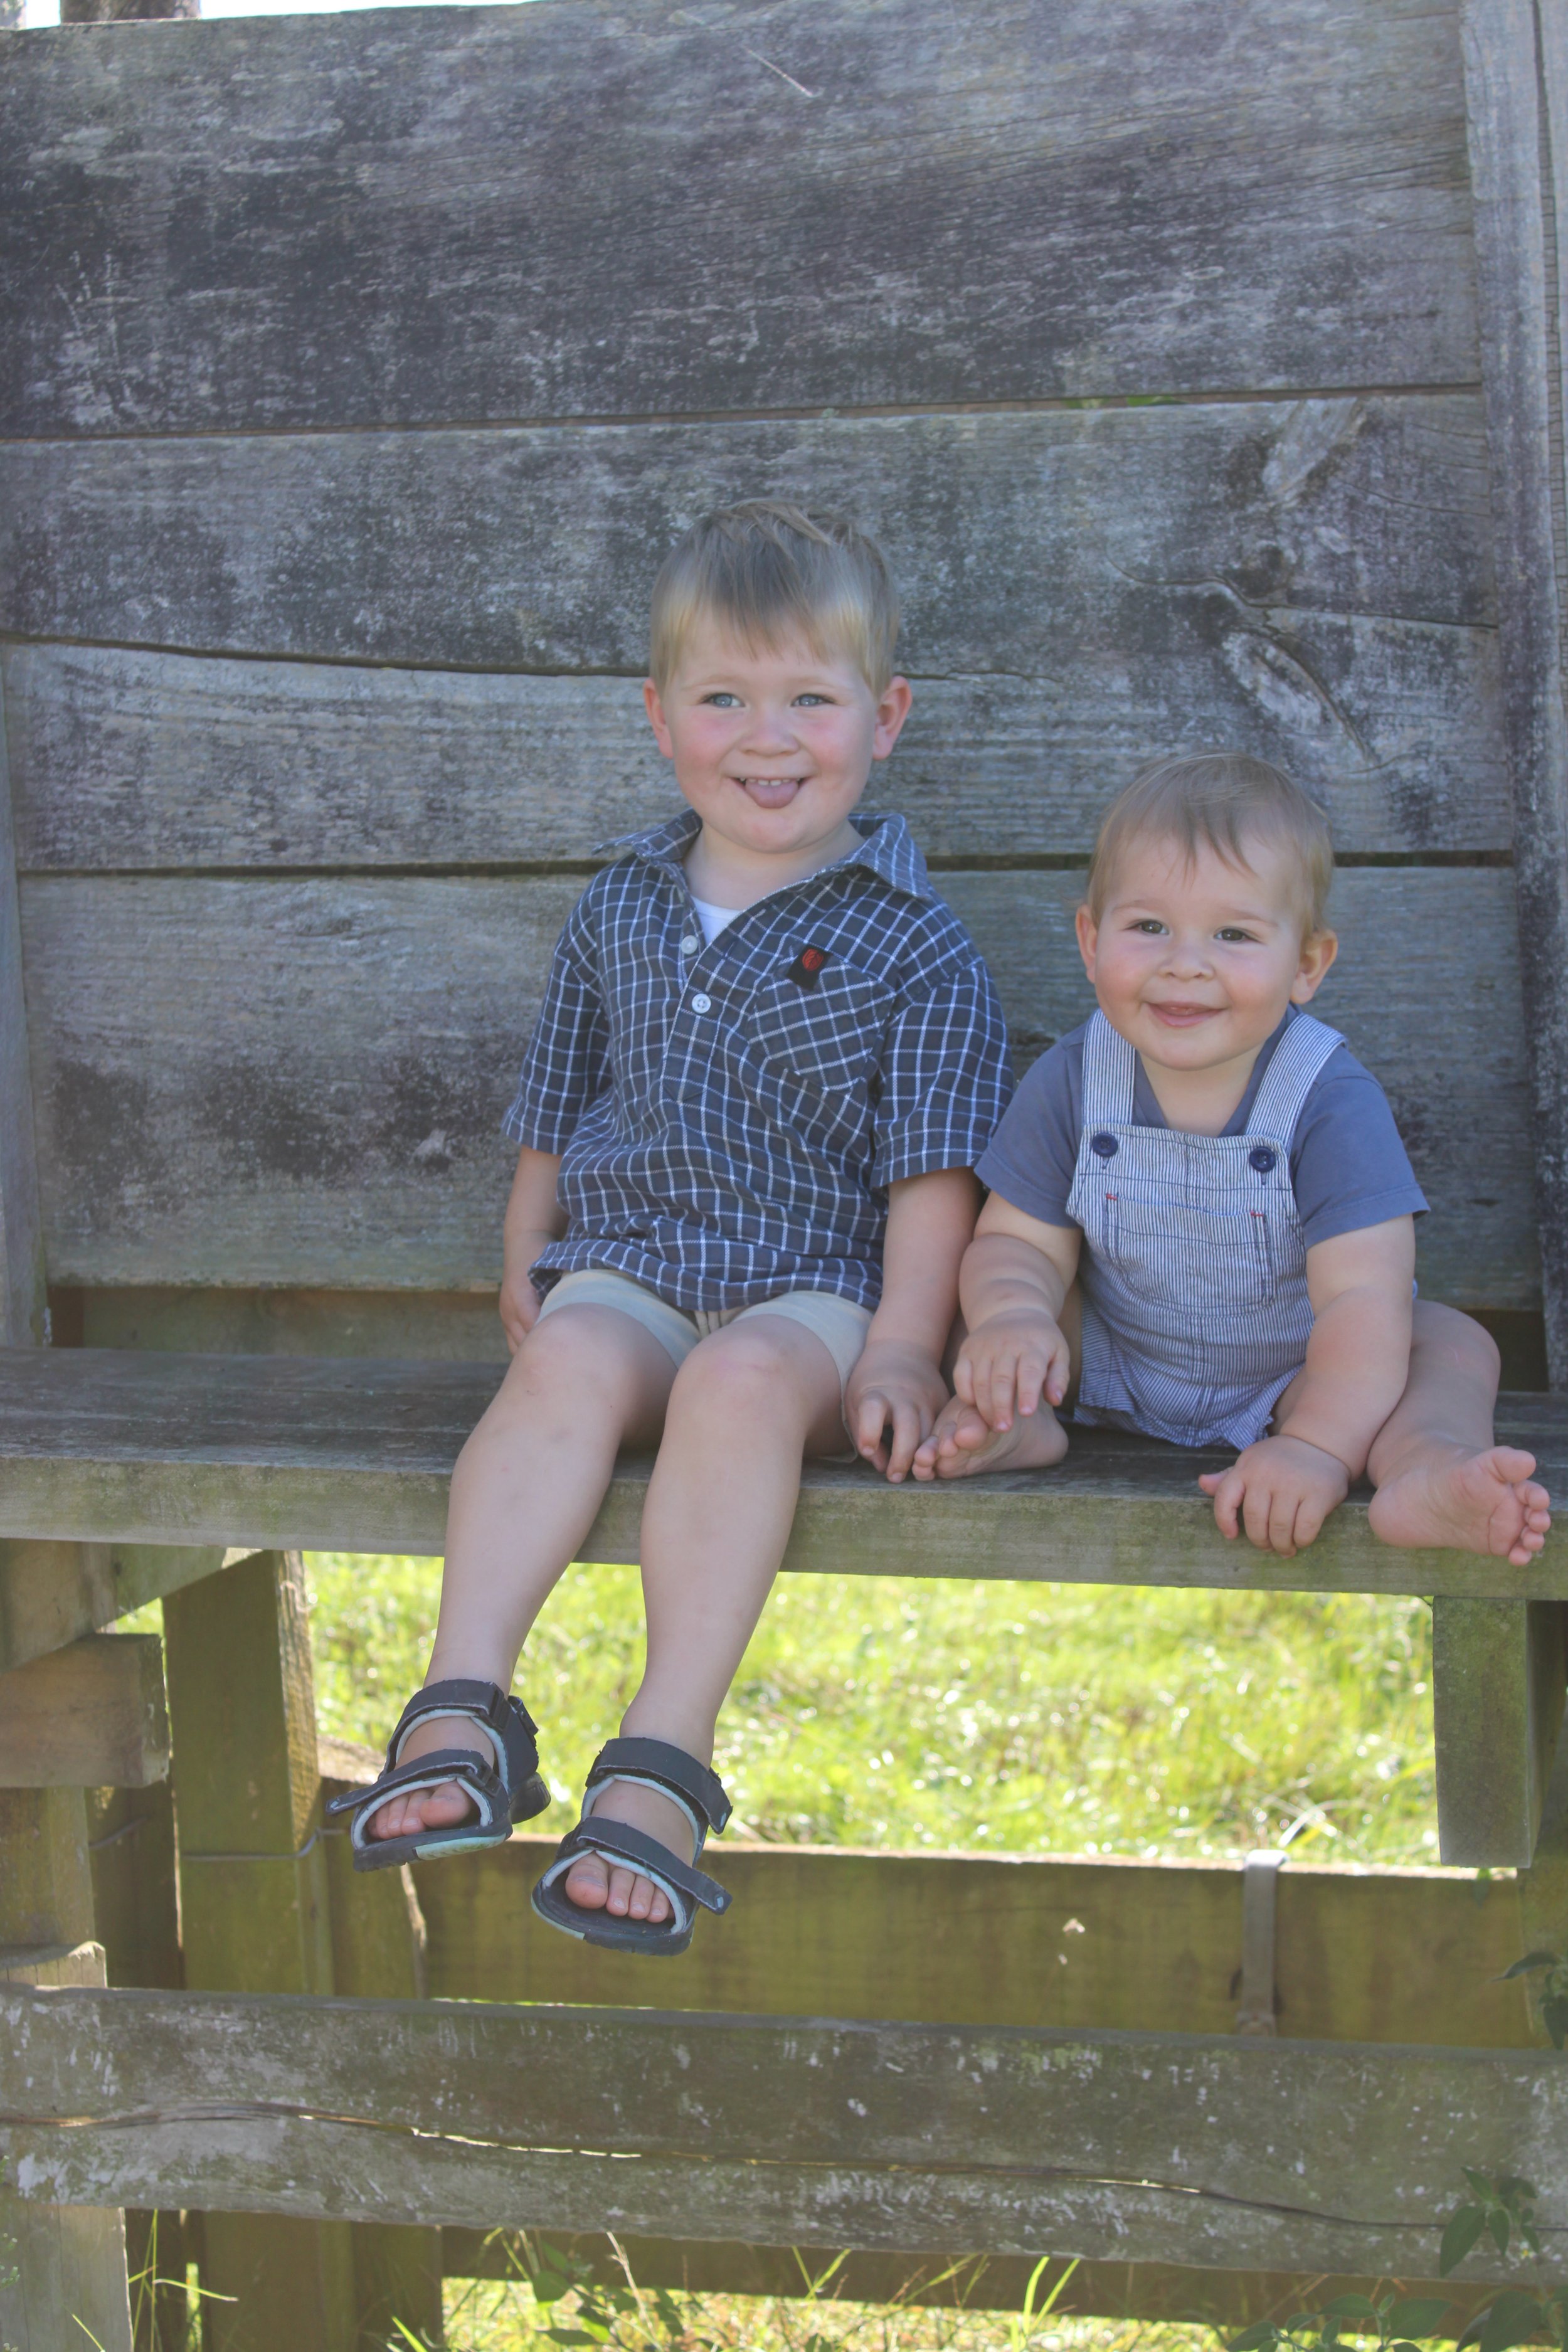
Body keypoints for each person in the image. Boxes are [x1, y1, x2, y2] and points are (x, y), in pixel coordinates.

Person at [331, 502, 1012, 1954]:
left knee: (739, 1381)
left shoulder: (915, 944)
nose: (765, 740)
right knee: (566, 1360)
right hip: (634, 1266)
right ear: (658, 718)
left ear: (881, 718)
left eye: (807, 702)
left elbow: (932, 1173)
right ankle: (462, 1705)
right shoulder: (620, 905)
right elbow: (556, 1093)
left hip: (813, 1300)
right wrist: (532, 1240)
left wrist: (900, 1349)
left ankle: (659, 1759)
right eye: (722, 700)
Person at [912, 753, 1553, 1572]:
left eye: (1234, 934)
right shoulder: (1072, 1078)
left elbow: (1362, 1296)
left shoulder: (1329, 1100)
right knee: (988, 1316)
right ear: (1089, 938)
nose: (1187, 962)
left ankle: (1422, 1466)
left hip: (1299, 1373)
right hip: (1115, 1352)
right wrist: (1013, 1316)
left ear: (1308, 965)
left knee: (1452, 1345)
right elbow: (1018, 1243)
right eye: (1149, 927)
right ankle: (1021, 1418)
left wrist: (1318, 1443)